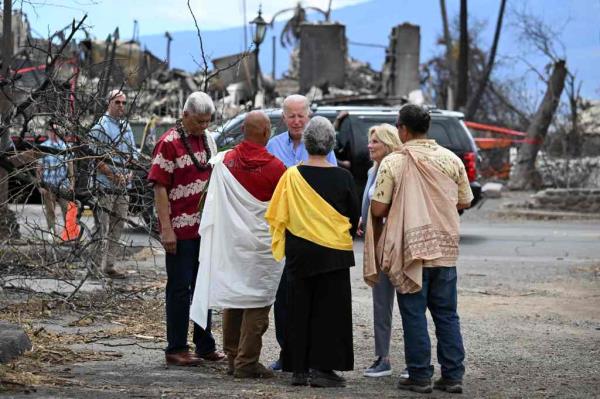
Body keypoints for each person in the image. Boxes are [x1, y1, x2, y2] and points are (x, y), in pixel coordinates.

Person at [365, 104, 473, 394]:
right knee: (447, 314)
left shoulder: (394, 163)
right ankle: (452, 376)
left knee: (414, 314)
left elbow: (378, 207)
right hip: (445, 249)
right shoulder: (451, 160)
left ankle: (420, 375)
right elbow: (465, 201)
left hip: (411, 249)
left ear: (402, 129)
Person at [190, 110, 286, 379]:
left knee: (234, 296)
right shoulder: (277, 168)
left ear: (243, 130)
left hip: (231, 243)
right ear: (267, 133)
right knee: (258, 299)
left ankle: (233, 357)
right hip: (261, 247)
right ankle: (247, 361)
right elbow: (281, 208)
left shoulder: (224, 162)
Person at [265, 116, 359, 388]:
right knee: (330, 312)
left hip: (300, 253)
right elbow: (352, 217)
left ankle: (298, 369)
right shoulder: (343, 177)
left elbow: (278, 214)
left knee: (298, 308)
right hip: (334, 253)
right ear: (331, 144)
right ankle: (323, 369)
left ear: (306, 143)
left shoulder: (291, 176)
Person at [148, 91, 225, 367]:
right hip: (180, 231)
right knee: (180, 289)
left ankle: (205, 344)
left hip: (204, 229)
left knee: (203, 287)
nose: (203, 126)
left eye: (207, 121)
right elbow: (159, 188)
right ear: (185, 115)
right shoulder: (168, 143)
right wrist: (166, 229)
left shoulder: (208, 140)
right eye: (199, 121)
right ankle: (176, 347)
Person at [265, 94, 337, 371]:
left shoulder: (320, 145)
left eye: (301, 115)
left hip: (313, 234)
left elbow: (327, 182)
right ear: (283, 117)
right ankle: (288, 354)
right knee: (283, 299)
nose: (296, 121)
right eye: (291, 116)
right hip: (284, 232)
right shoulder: (273, 146)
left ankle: (312, 357)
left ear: (309, 116)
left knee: (310, 299)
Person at [358, 124, 409, 380]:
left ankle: (415, 360)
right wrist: (362, 218)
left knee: (409, 302)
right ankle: (383, 357)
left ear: (388, 144)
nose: (370, 145)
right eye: (370, 141)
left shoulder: (400, 168)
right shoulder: (372, 170)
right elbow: (369, 201)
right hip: (376, 243)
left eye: (375, 141)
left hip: (398, 244)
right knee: (381, 303)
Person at [89, 89, 138, 279]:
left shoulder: (126, 126)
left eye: (124, 103)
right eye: (117, 102)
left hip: (124, 186)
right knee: (102, 227)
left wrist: (130, 174)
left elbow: (133, 154)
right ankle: (93, 268)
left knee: (118, 226)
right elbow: (95, 157)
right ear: (109, 103)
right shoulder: (100, 127)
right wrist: (112, 175)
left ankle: (109, 266)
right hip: (104, 186)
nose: (121, 106)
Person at [37, 121, 74, 239]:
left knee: (66, 210)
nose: (54, 134)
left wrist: (72, 184)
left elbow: (71, 168)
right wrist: (40, 185)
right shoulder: (43, 147)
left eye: (56, 131)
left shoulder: (66, 147)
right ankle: (51, 231)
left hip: (63, 185)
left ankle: (68, 233)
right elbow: (39, 168)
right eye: (52, 131)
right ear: (48, 132)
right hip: (48, 185)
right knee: (50, 210)